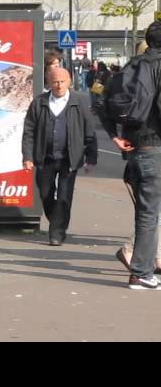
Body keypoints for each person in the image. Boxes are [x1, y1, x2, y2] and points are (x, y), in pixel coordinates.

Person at [100, 21, 161, 289]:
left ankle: (143, 268)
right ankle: (140, 272)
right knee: (149, 214)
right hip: (156, 147)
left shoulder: (131, 66)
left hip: (137, 149)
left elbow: (101, 103)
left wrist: (114, 135)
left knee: (146, 212)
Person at [22, 67, 97, 246]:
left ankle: (57, 233)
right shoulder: (39, 103)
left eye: (62, 81)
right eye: (55, 82)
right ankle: (57, 221)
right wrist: (27, 156)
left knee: (64, 196)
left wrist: (91, 157)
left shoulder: (79, 102)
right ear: (49, 83)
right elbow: (29, 131)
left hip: (69, 159)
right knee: (46, 194)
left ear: (69, 81)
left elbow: (90, 132)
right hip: (44, 157)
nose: (59, 85)